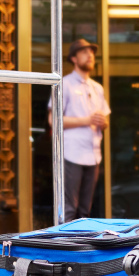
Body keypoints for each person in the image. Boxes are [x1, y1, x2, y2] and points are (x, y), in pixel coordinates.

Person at [48, 39, 111, 222]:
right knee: (69, 209)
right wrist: (87, 120)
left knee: (85, 210)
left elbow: (104, 122)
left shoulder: (97, 88)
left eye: (91, 52)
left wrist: (102, 123)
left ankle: (83, 248)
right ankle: (66, 247)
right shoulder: (64, 84)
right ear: (74, 58)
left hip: (93, 153)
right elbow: (53, 120)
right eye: (84, 52)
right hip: (71, 153)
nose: (90, 55)